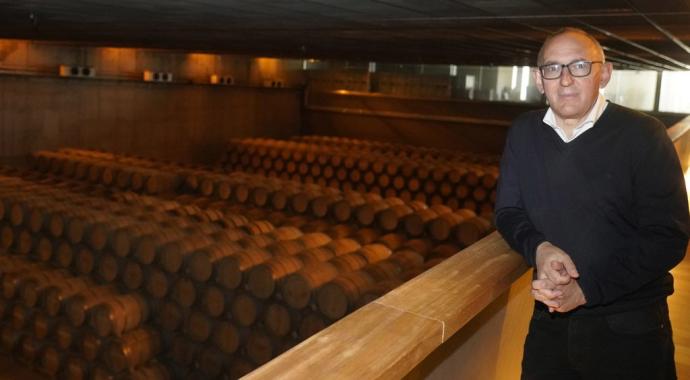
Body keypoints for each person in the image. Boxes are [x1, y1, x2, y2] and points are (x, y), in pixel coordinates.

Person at [494, 27, 689, 379]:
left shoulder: (644, 135)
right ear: (539, 80)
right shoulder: (524, 132)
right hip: (550, 323)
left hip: (630, 327)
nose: (565, 79)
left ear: (605, 73)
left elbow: (668, 237)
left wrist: (586, 289)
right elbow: (508, 211)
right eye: (553, 68)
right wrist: (539, 249)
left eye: (580, 66)